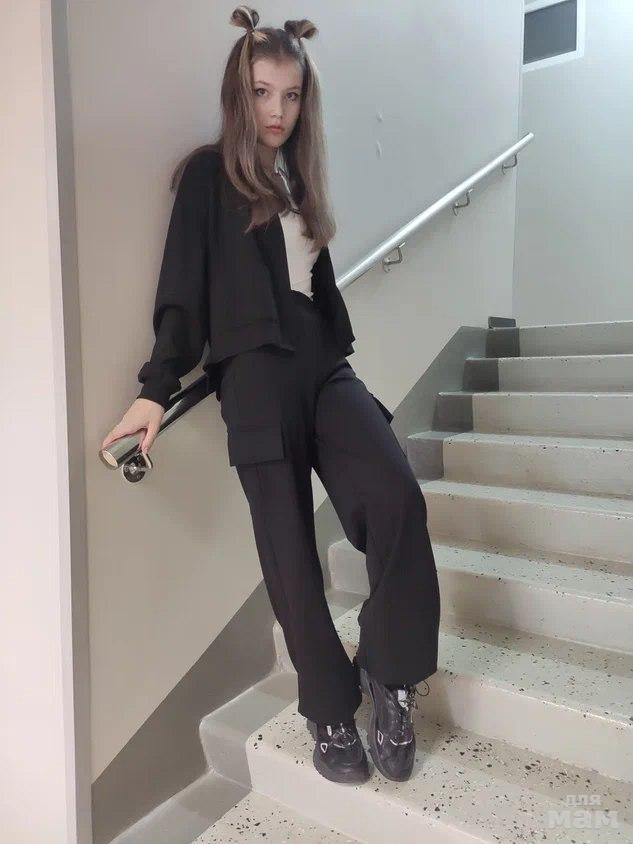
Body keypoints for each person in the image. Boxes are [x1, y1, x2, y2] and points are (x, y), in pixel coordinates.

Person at [101, 5, 440, 786]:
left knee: (394, 495)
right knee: (288, 550)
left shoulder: (299, 182)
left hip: (321, 366)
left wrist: (331, 354)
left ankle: (390, 674)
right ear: (238, 94)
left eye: (290, 95)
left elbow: (314, 289)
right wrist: (155, 390)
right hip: (252, 373)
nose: (277, 111)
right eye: (262, 93)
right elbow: (182, 290)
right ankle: (329, 708)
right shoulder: (207, 176)